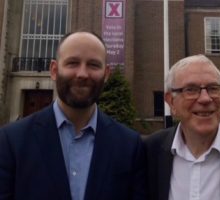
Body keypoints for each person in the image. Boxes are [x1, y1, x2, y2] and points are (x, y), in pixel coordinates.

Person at [0, 31, 147, 200]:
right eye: (72, 63)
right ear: (54, 70)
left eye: (93, 65)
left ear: (106, 74)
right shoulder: (11, 141)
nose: (82, 74)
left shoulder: (129, 146)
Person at [145, 54, 220, 200]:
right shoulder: (150, 152)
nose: (205, 98)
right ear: (171, 102)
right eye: (191, 89)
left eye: (213, 88)